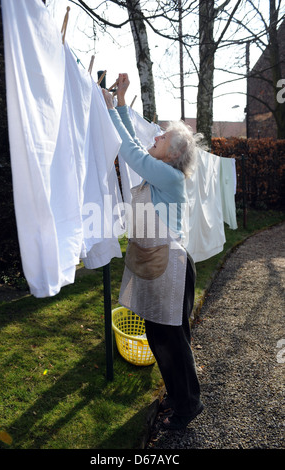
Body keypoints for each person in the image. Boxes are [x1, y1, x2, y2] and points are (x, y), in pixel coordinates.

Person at [102, 74, 204, 431]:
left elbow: (129, 150)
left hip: (171, 268)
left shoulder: (168, 177)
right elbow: (138, 142)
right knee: (163, 338)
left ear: (173, 155)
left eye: (162, 139)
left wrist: (114, 107)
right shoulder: (160, 173)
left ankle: (187, 406)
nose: (155, 138)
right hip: (161, 265)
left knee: (169, 340)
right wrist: (123, 101)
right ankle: (180, 399)